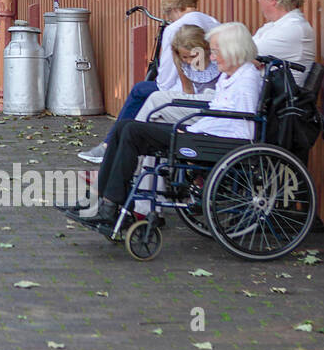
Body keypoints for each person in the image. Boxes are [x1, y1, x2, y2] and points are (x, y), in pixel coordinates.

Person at [75, 22, 263, 227]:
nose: (212, 57)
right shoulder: (231, 76)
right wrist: (195, 128)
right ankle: (102, 198)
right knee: (124, 127)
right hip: (201, 134)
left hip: (212, 142)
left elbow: (240, 127)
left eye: (216, 52)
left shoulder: (246, 81)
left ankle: (110, 205)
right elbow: (220, 115)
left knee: (131, 131)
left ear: (232, 50)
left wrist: (194, 129)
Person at [78, 0, 218, 163]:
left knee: (141, 90)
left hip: (190, 94)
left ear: (173, 9)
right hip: (211, 91)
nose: (168, 18)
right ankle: (110, 145)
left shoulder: (175, 30)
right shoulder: (212, 22)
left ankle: (110, 146)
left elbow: (165, 81)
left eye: (168, 14)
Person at [250, 0, 315, 85]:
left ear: (273, 0)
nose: (258, 0)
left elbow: (239, 56)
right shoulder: (278, 26)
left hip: (272, 101)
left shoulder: (293, 29)